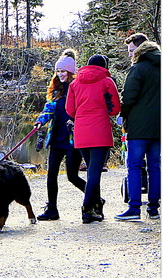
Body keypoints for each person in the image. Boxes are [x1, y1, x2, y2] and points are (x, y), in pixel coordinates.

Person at [65, 54, 121, 224]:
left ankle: (97, 206)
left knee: (92, 171)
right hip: (100, 131)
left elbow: (70, 110)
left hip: (81, 132)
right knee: (94, 173)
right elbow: (115, 109)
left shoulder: (75, 83)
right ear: (104, 66)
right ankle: (87, 209)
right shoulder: (107, 82)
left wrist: (82, 116)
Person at [32, 49, 86, 220]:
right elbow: (49, 108)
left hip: (72, 139)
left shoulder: (78, 87)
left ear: (70, 72)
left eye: (63, 71)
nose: (60, 74)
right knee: (51, 174)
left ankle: (94, 198)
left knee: (72, 175)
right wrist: (40, 121)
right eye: (58, 71)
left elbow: (83, 109)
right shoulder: (56, 89)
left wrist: (76, 121)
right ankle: (52, 209)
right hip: (56, 137)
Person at [115, 33, 161, 221]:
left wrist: (122, 113)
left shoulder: (138, 69)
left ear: (140, 49)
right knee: (155, 166)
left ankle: (134, 208)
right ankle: (154, 209)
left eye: (131, 50)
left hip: (139, 127)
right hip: (159, 126)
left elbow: (129, 97)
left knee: (134, 166)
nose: (129, 54)